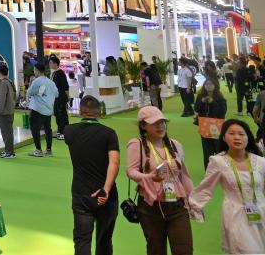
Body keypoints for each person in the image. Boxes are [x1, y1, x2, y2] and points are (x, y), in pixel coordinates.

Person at [126, 106, 195, 255]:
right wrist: (149, 177)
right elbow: (131, 171)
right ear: (143, 125)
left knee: (184, 250)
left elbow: (183, 175)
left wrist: (193, 201)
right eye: (155, 123)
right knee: (156, 250)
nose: (161, 126)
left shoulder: (175, 145)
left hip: (177, 205)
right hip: (150, 207)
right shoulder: (137, 144)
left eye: (162, 122)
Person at [189, 119, 265, 253]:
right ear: (224, 137)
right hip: (236, 215)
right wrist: (194, 206)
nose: (237, 137)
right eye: (232, 133)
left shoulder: (260, 161)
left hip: (261, 213)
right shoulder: (218, 162)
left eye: (241, 134)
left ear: (248, 137)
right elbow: (205, 187)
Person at [63, 95, 120, 255]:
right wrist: (106, 189)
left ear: (80, 111)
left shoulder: (69, 131)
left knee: (82, 240)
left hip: (81, 194)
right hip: (106, 196)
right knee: (104, 240)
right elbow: (114, 163)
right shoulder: (109, 134)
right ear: (99, 112)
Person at [194, 78, 227, 168]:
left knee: (218, 149)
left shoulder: (220, 98)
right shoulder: (200, 96)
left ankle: (220, 169)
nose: (208, 86)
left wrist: (213, 102)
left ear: (215, 86)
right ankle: (208, 170)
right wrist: (202, 102)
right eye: (207, 84)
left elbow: (222, 112)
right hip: (204, 126)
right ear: (204, 86)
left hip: (217, 126)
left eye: (211, 84)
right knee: (207, 151)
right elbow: (196, 109)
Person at [27, 63, 58, 157]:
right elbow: (57, 94)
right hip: (48, 110)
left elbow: (30, 92)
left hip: (37, 109)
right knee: (48, 129)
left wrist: (31, 82)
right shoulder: (51, 82)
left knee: (35, 129)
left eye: (34, 70)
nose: (34, 72)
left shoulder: (36, 81)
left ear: (37, 70)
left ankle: (38, 150)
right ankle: (48, 150)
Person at [0, 64, 17, 158]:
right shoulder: (10, 82)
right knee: (9, 131)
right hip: (10, 110)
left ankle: (9, 152)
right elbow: (15, 96)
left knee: (6, 132)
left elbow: (1, 99)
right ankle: (9, 150)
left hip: (5, 112)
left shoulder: (3, 83)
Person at [50, 56, 70, 138]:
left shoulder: (61, 73)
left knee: (62, 114)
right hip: (56, 97)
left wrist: (68, 97)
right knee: (57, 114)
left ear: (55, 63)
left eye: (51, 63)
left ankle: (65, 132)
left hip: (61, 97)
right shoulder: (54, 73)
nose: (49, 64)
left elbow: (65, 86)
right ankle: (60, 130)